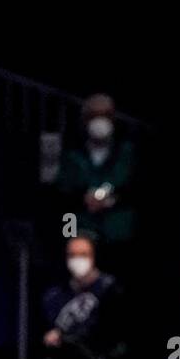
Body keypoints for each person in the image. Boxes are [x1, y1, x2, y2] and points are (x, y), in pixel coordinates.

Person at [36, 233, 126, 359]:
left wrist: (71, 337)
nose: (78, 260)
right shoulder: (54, 295)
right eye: (72, 255)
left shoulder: (110, 289)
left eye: (84, 255)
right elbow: (45, 330)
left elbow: (112, 333)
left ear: (94, 256)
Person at [56, 93, 136, 275]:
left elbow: (139, 189)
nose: (100, 121)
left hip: (119, 237)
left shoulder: (128, 152)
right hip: (83, 234)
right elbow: (61, 193)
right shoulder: (72, 154)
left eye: (106, 115)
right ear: (84, 120)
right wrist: (84, 198)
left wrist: (112, 199)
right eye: (94, 115)